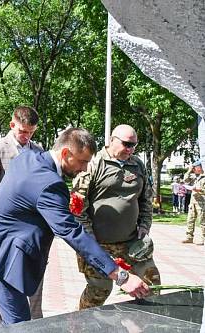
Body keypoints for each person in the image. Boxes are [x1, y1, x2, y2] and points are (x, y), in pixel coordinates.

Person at [0, 128, 150, 330]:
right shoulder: (50, 184)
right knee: (19, 324)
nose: (85, 168)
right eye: (82, 161)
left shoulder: (29, 157)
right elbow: (71, 232)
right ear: (65, 154)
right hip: (0, 253)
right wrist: (119, 275)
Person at [72, 124, 160, 310]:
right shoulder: (93, 163)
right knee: (100, 289)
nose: (131, 149)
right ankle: (79, 326)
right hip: (99, 244)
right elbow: (78, 207)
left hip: (132, 243)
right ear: (112, 140)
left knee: (151, 284)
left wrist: (144, 225)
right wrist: (89, 240)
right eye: (127, 144)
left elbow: (146, 199)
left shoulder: (137, 164)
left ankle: (144, 325)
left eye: (134, 145)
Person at [0, 105, 43, 323]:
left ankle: (35, 325)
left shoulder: (38, 150)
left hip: (32, 232)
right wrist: (19, 204)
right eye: (22, 131)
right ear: (12, 125)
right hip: (4, 231)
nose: (26, 137)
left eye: (31, 132)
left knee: (34, 287)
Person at [181, 160, 205, 245]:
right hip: (193, 202)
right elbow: (185, 180)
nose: (193, 170)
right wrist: (188, 171)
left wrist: (199, 190)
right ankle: (189, 237)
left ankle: (203, 238)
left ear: (199, 168)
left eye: (194, 168)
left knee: (202, 221)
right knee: (190, 220)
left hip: (202, 203)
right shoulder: (195, 177)